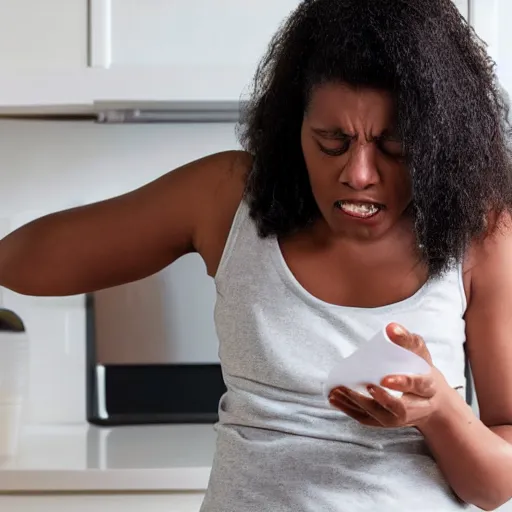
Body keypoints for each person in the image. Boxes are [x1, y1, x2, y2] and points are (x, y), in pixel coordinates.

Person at [1, 0, 512, 510]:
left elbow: (495, 487)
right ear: (295, 130)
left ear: (440, 141)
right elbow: (27, 260)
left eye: (393, 145)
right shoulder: (228, 198)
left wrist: (439, 410)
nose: (359, 173)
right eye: (332, 142)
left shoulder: (482, 235)